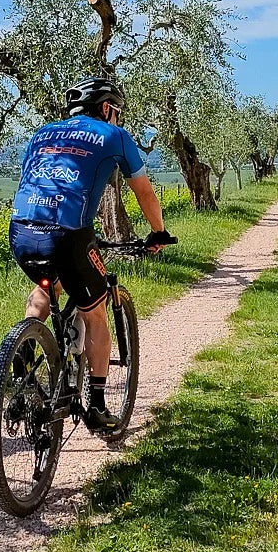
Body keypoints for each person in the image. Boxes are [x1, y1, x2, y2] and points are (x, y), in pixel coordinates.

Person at [10, 76, 176, 433]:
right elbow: (144, 194)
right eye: (117, 111)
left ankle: (21, 367)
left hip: (22, 230)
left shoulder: (42, 133)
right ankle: (98, 408)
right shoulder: (114, 136)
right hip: (69, 236)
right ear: (105, 108)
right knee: (96, 312)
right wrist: (159, 232)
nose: (118, 118)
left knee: (45, 289)